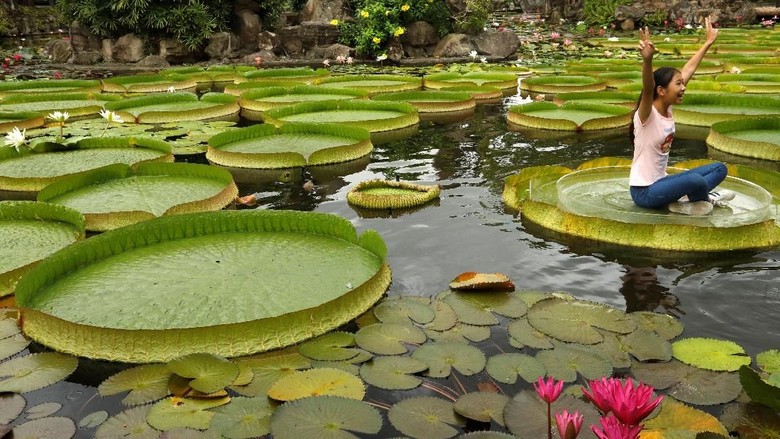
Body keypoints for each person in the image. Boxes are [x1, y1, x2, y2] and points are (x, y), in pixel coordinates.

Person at [629, 18, 734, 216]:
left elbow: (688, 70)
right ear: (661, 90)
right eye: (678, 84)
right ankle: (705, 198)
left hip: (662, 184)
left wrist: (708, 42)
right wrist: (647, 60)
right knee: (695, 181)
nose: (683, 87)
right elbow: (648, 86)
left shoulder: (667, 109)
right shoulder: (646, 114)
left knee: (719, 169)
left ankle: (690, 201)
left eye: (682, 83)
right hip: (645, 192)